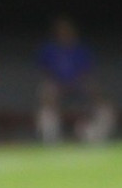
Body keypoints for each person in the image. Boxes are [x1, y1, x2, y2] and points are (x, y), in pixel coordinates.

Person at [35, 16, 113, 144]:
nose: (64, 33)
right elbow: (45, 74)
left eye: (67, 30)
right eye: (61, 30)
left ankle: (93, 136)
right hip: (57, 88)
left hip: (79, 87)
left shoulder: (82, 49)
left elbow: (88, 75)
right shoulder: (49, 49)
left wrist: (95, 95)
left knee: (104, 107)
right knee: (47, 92)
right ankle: (51, 140)